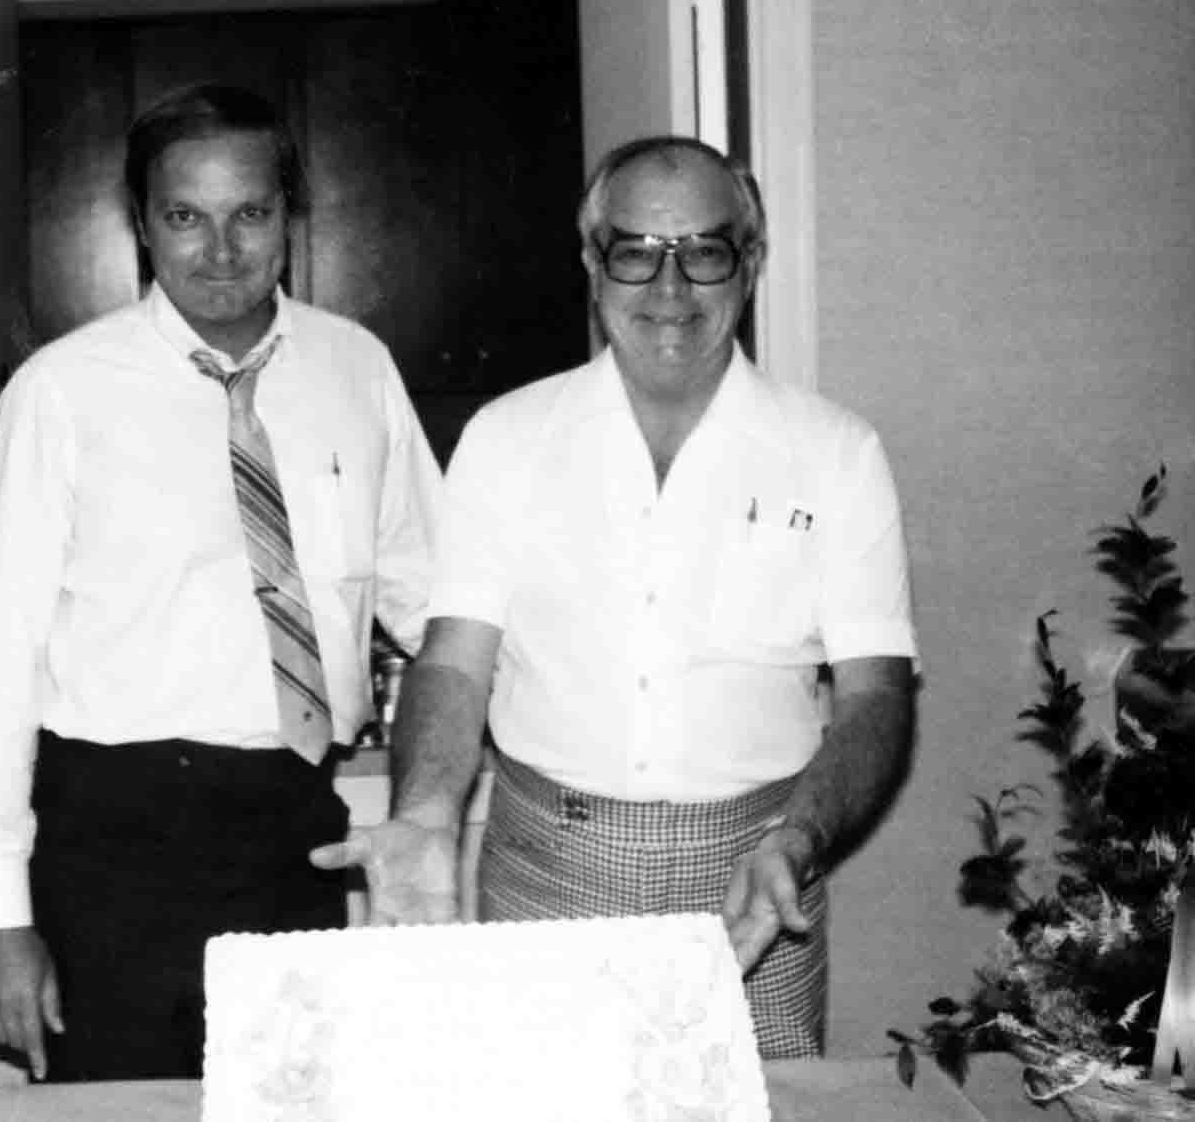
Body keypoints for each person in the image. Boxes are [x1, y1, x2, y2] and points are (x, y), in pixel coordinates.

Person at [313, 135, 917, 1058]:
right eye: (635, 251)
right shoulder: (507, 438)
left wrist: (798, 841)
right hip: (545, 873)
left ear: (748, 265)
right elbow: (454, 661)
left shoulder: (837, 452)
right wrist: (426, 814)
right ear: (594, 265)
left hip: (756, 880)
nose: (669, 291)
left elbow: (876, 696)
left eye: (704, 251)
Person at [0, 83, 441, 1081]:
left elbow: (436, 604)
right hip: (114, 837)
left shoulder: (354, 369)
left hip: (295, 825)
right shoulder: (60, 395)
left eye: (249, 214)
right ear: (140, 225)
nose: (220, 251)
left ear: (288, 217)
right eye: (184, 217)